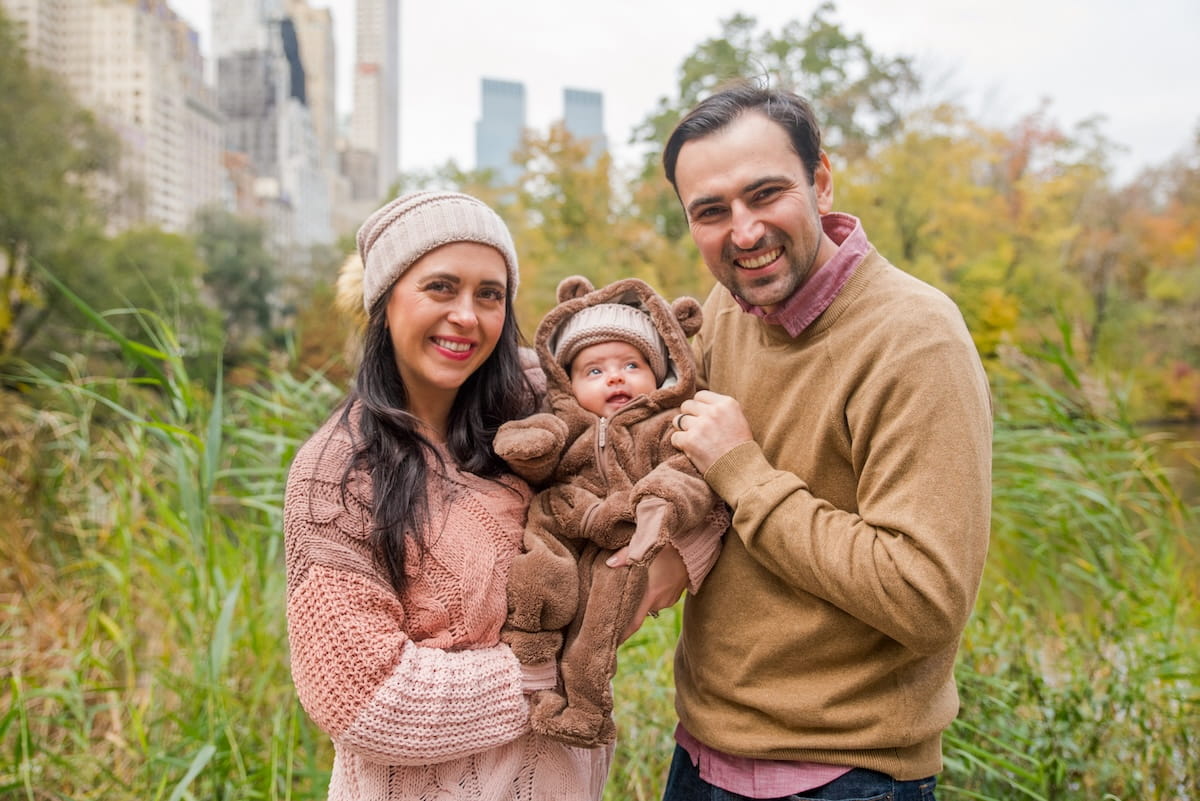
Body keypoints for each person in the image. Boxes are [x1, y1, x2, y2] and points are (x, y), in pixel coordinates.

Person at [653, 82, 994, 799]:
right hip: (701, 755)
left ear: (821, 180)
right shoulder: (728, 306)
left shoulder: (914, 338)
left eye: (765, 194)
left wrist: (745, 473)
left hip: (845, 778)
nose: (743, 233)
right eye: (711, 212)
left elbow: (926, 597)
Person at [282, 190, 611, 800]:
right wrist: (556, 669)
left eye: (490, 294)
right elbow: (359, 696)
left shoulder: (534, 410)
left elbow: (653, 435)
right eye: (440, 287)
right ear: (383, 303)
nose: (468, 315)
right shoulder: (337, 473)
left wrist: (670, 561)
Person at [493, 275, 727, 749]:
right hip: (565, 519)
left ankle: (586, 708)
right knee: (538, 572)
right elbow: (544, 446)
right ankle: (533, 664)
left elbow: (687, 471)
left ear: (659, 374)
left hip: (627, 535)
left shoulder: (666, 424)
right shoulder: (569, 421)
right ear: (569, 383)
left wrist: (661, 504)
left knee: (603, 613)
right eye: (594, 371)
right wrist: (531, 446)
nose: (614, 377)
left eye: (630, 364)